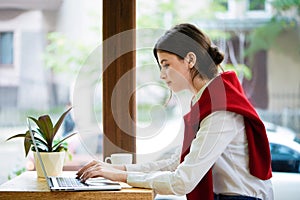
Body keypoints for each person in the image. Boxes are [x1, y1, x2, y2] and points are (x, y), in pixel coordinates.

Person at [76, 23, 273, 200]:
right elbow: (176, 163)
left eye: (166, 64)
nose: (162, 75)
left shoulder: (220, 111)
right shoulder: (206, 102)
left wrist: (121, 176)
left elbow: (182, 181)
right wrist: (116, 168)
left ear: (190, 59)